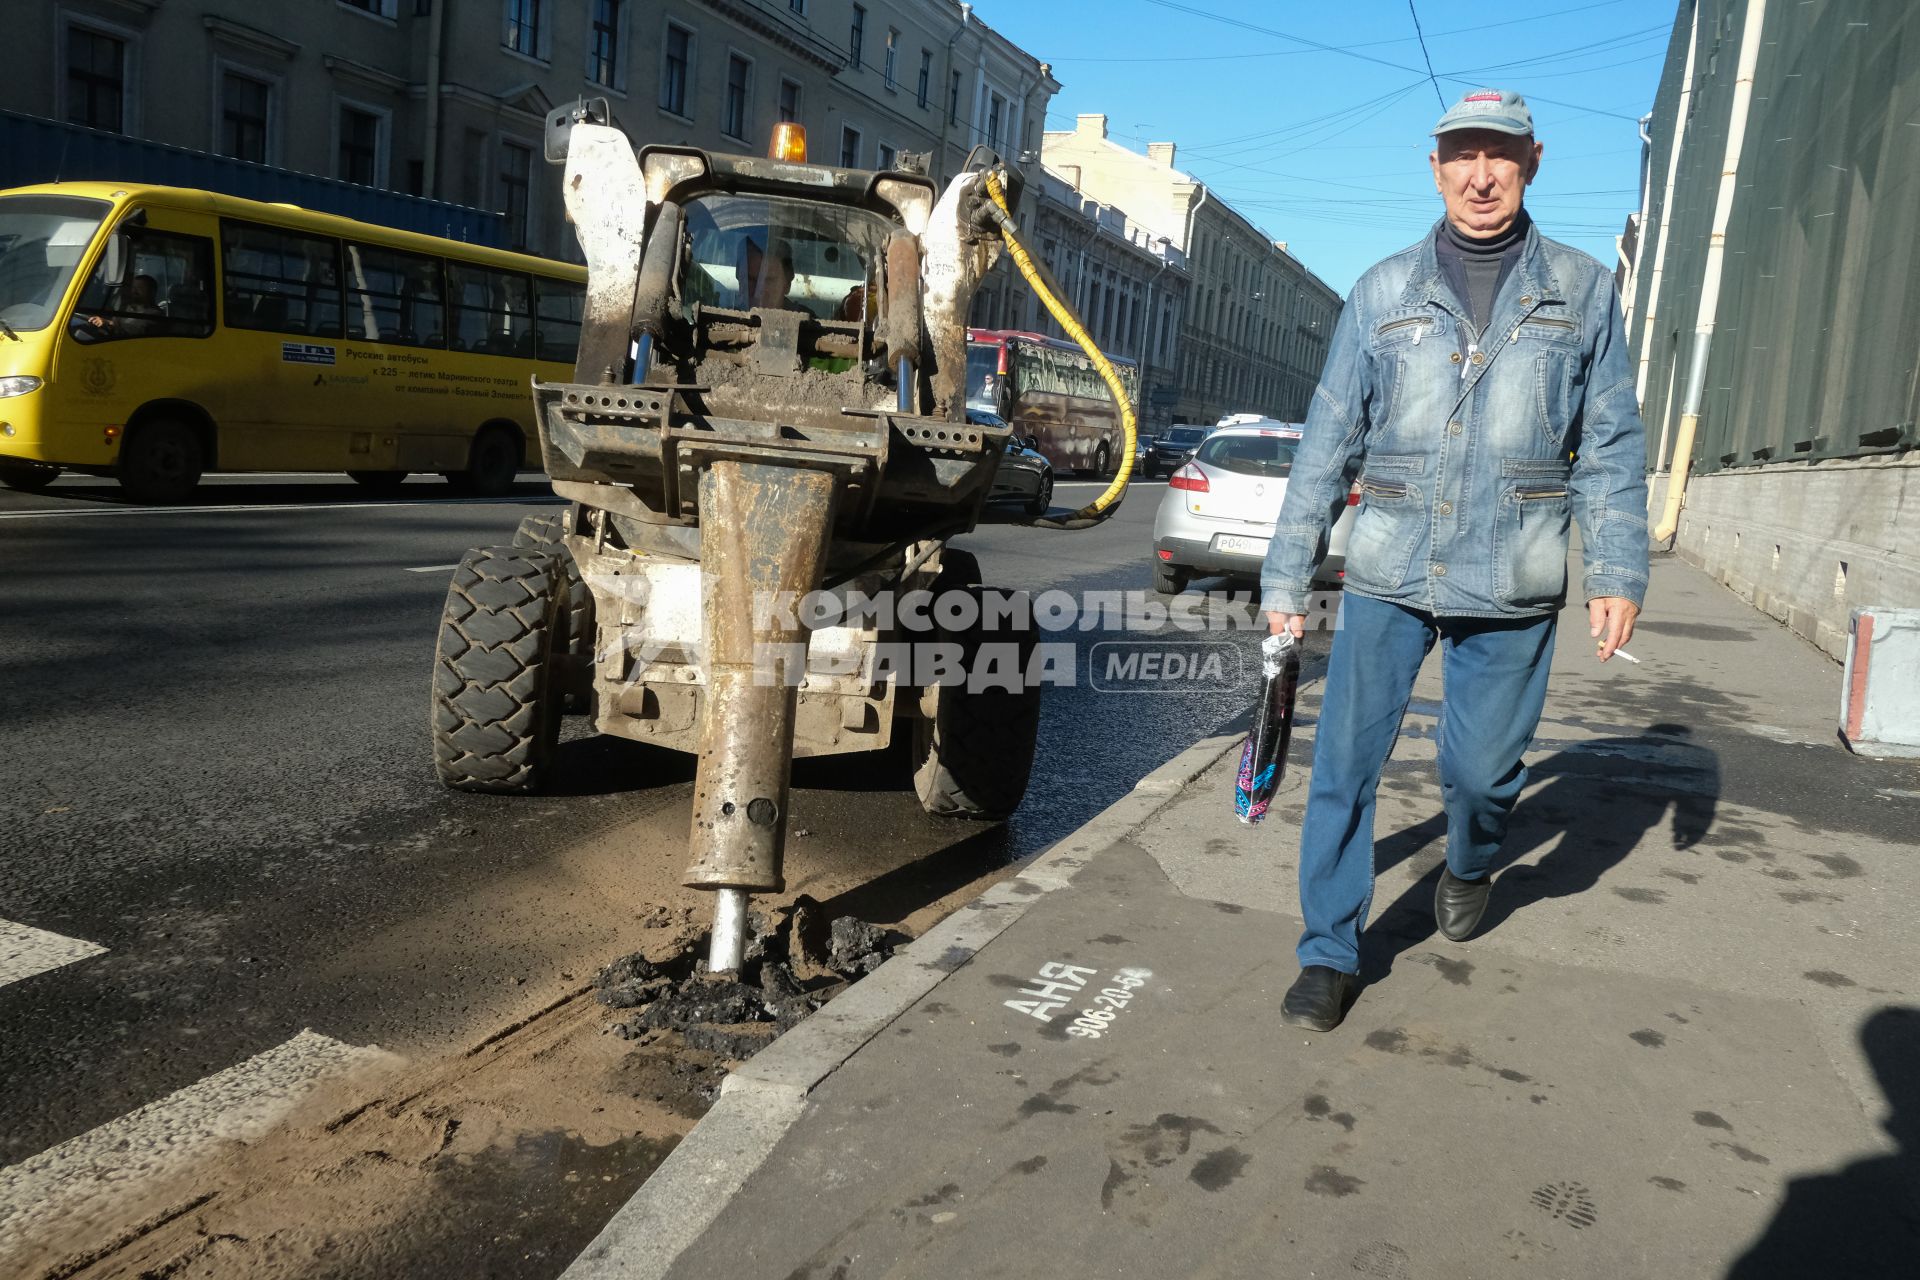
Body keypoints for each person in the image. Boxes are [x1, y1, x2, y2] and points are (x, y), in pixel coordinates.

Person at [1257, 88, 1650, 1032]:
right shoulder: (1383, 291)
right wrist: (1285, 579)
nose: (1481, 175)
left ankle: (1472, 861)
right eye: (1463, 156)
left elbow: (1609, 442)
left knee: (1480, 775)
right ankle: (1328, 951)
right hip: (1392, 566)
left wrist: (1617, 570)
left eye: (1500, 156)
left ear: (1533, 162)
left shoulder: (1584, 290)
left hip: (1513, 572)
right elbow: (1326, 443)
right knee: (1345, 766)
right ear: (1434, 168)